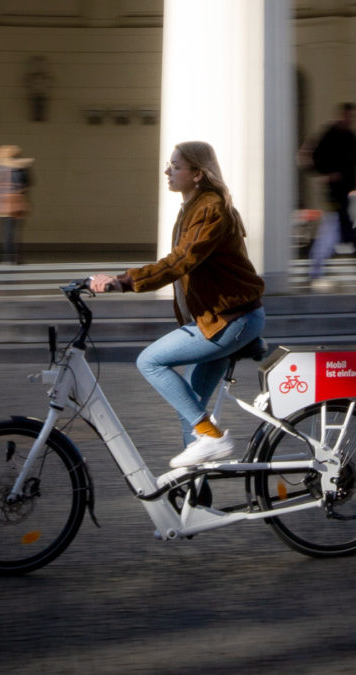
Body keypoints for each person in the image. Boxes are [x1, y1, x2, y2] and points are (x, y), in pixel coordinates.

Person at [90, 141, 265, 468]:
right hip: (218, 319)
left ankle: (213, 439)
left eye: (176, 166)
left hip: (229, 319)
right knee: (192, 409)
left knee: (150, 361)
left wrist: (123, 280)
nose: (167, 171)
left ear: (197, 174)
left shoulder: (210, 208)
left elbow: (181, 262)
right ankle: (197, 497)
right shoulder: (194, 206)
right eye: (169, 164)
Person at [309, 103, 356, 285]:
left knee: (354, 228)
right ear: (342, 115)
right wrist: (327, 173)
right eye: (350, 116)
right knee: (341, 230)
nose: (352, 120)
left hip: (351, 192)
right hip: (337, 193)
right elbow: (315, 156)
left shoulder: (350, 136)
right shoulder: (330, 135)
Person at [0, 145, 33, 264]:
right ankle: (9, 256)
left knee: (8, 230)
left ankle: (7, 256)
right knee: (9, 230)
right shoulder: (19, 167)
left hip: (8, 201)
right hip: (9, 201)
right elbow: (27, 182)